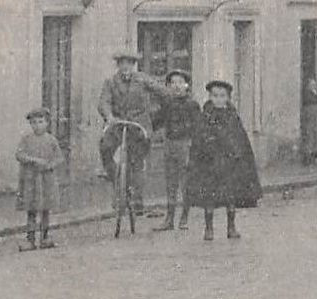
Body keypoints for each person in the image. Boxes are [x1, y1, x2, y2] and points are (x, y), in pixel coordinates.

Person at [187, 80, 262, 241]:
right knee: (209, 197)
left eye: (222, 96)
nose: (218, 100)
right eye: (215, 96)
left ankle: (231, 226)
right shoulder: (205, 116)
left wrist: (238, 156)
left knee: (230, 196)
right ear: (210, 97)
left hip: (229, 163)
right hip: (210, 163)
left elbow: (240, 139)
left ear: (227, 98)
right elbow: (198, 138)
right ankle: (208, 228)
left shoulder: (232, 116)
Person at [96, 48, 158, 213]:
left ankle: (137, 199)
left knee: (136, 160)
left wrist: (154, 114)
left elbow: (162, 93)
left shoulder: (143, 80)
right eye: (122, 63)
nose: (125, 67)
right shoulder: (110, 82)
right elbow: (104, 102)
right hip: (118, 123)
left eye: (129, 63)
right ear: (118, 65)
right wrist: (109, 116)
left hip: (139, 126)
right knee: (105, 146)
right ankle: (116, 181)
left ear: (134, 65)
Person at [151, 70, 201, 231]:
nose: (177, 86)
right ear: (169, 86)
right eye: (173, 83)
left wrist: (194, 146)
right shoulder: (167, 104)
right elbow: (156, 121)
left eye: (180, 82)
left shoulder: (192, 105)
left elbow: (198, 127)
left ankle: (184, 217)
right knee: (170, 183)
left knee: (185, 183)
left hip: (185, 145)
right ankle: (169, 219)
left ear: (187, 85)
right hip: (169, 145)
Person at [15, 109, 62, 251]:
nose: (37, 125)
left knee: (45, 209)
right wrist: (33, 160)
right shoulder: (26, 139)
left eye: (41, 122)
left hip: (46, 179)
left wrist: (50, 165)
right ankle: (30, 239)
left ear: (47, 123)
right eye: (34, 122)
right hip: (31, 180)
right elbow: (19, 154)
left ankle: (45, 237)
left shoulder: (51, 140)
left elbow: (59, 157)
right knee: (31, 209)